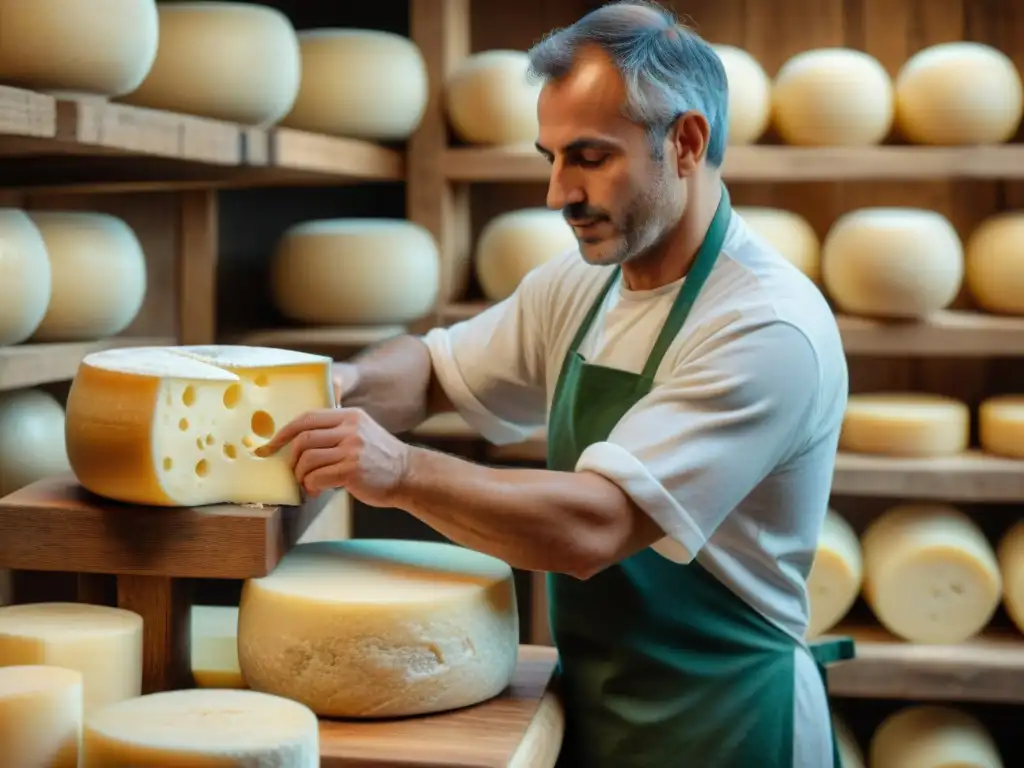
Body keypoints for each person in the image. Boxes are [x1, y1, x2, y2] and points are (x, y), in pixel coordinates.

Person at [258, 1, 852, 765]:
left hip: (729, 723)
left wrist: (401, 471)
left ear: (686, 143)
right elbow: (435, 370)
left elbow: (596, 526)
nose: (557, 192)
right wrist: (342, 383)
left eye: (591, 157)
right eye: (552, 156)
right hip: (602, 709)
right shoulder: (582, 285)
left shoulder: (765, 327)